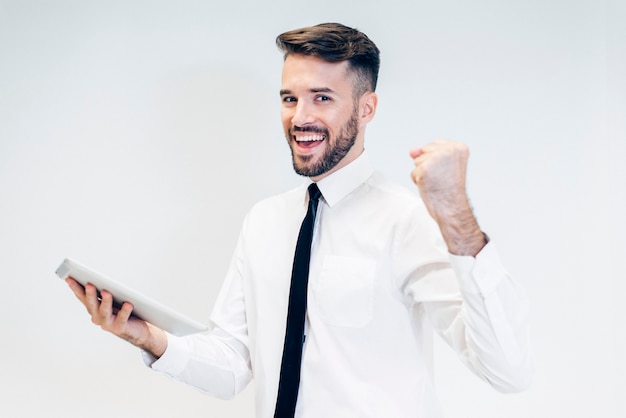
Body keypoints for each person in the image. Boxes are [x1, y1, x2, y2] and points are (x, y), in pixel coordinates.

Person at [66, 22, 532, 418]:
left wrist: (456, 216)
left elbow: (507, 371)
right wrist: (146, 337)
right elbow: (233, 366)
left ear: (366, 108)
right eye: (289, 99)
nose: (300, 117)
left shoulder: (407, 220)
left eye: (322, 98)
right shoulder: (265, 221)